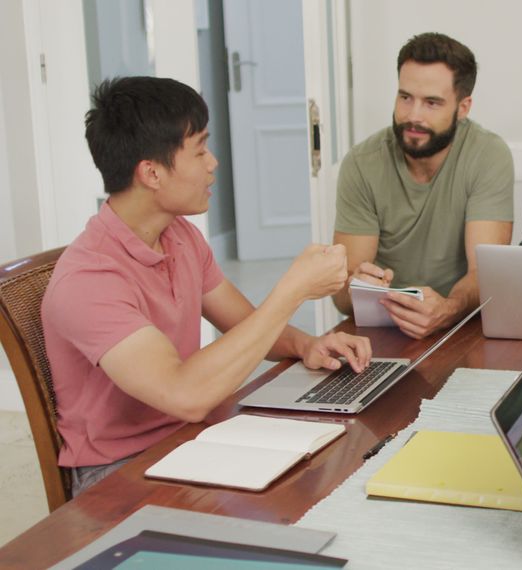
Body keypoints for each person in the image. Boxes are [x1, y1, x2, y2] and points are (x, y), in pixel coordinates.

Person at [41, 77, 373, 496]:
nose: (213, 162)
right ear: (152, 173)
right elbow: (185, 394)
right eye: (199, 149)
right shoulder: (88, 279)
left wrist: (306, 344)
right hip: (119, 469)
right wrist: (292, 291)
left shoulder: (178, 235)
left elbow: (244, 325)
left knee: (342, 460)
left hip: (192, 434)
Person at [331, 32, 514, 339]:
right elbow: (341, 295)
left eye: (432, 103)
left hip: (461, 324)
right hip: (382, 327)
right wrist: (357, 288)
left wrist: (448, 308)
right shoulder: (362, 163)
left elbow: (485, 273)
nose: (413, 116)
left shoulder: (488, 155)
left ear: (463, 107)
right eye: (405, 98)